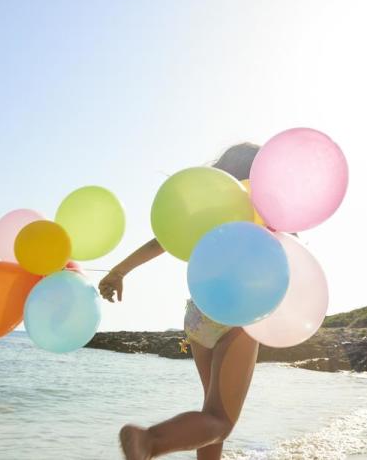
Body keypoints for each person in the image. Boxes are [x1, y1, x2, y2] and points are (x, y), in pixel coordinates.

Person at [99, 143, 262, 460]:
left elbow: (163, 239)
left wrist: (119, 271)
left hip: (198, 316)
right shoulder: (263, 211)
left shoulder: (210, 209)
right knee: (221, 421)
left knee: (211, 410)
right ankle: (149, 440)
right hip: (237, 315)